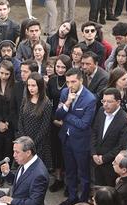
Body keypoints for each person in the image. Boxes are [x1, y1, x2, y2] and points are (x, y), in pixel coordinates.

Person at [56, 68, 96, 205]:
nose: (70, 85)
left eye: (73, 82)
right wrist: (67, 104)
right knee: (70, 171)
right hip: (66, 139)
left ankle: (83, 200)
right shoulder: (65, 92)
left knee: (83, 173)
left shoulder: (90, 99)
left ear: (81, 80)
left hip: (81, 142)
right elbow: (58, 114)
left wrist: (66, 115)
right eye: (67, 82)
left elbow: (84, 124)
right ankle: (72, 197)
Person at [0, 136, 49, 205]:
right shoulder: (26, 162)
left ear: (28, 153)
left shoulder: (39, 174)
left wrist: (12, 201)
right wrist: (7, 174)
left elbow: (34, 203)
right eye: (13, 151)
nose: (14, 155)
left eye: (17, 152)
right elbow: (20, 183)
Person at [17, 72, 52, 170]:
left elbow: (44, 127)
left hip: (39, 143)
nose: (30, 88)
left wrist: (32, 143)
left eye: (33, 85)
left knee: (36, 170)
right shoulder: (25, 100)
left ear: (40, 86)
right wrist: (24, 139)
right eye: (28, 85)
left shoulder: (46, 103)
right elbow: (20, 120)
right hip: (24, 140)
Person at [47, 54, 71, 192]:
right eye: (58, 66)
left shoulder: (71, 81)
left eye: (63, 67)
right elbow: (48, 103)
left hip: (68, 120)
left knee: (66, 151)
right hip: (54, 119)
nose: (60, 70)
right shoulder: (52, 81)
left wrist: (63, 120)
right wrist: (53, 119)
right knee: (56, 150)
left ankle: (68, 179)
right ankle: (58, 178)